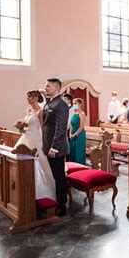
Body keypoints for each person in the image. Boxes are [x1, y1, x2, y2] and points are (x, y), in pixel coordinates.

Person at [14, 90, 56, 201]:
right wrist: (21, 127)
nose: (28, 99)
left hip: (36, 139)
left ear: (36, 98)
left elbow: (43, 129)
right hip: (25, 138)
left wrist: (46, 143)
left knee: (39, 163)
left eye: (30, 97)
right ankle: (22, 188)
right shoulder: (28, 110)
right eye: (27, 97)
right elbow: (24, 130)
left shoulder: (41, 112)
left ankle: (40, 191)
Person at [42, 78, 69, 216]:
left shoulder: (61, 104)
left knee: (59, 177)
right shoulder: (51, 102)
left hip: (56, 148)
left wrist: (54, 148)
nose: (45, 88)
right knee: (54, 176)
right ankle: (58, 200)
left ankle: (62, 205)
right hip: (48, 145)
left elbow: (61, 128)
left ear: (56, 88)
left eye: (47, 86)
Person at [69, 98, 87, 165]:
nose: (73, 105)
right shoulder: (75, 113)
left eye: (75, 104)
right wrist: (70, 133)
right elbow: (71, 125)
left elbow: (81, 127)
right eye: (73, 103)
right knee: (72, 151)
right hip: (73, 135)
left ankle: (80, 166)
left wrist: (75, 135)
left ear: (80, 104)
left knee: (78, 152)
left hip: (79, 135)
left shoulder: (82, 114)